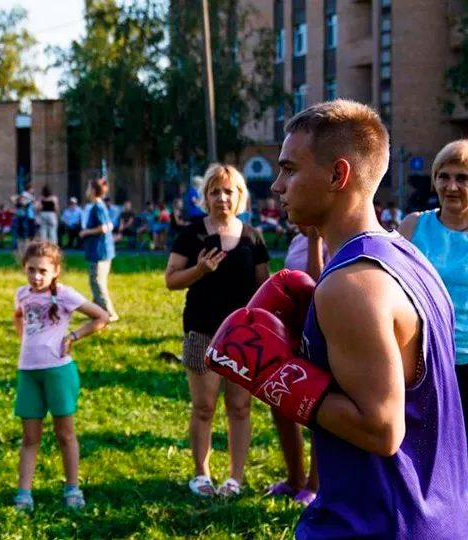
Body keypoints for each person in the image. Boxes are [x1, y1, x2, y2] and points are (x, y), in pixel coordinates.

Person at [207, 100, 468, 537]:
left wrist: (278, 376)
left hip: (379, 522)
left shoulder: (350, 285)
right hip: (435, 508)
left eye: (289, 169)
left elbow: (382, 428)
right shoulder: (408, 256)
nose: (276, 185)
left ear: (337, 175)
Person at [164, 163, 269, 498]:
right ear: (205, 196)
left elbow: (263, 288)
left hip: (242, 338)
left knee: (239, 407)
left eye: (229, 191)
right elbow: (171, 280)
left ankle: (235, 478)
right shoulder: (192, 234)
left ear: (240, 196)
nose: (222, 197)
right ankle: (201, 474)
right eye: (215, 191)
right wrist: (200, 269)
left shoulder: (253, 236)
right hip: (202, 332)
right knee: (204, 407)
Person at [12, 241, 110, 512]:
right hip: (28, 373)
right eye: (31, 270)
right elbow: (19, 316)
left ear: (55, 271)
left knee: (64, 434)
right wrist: (25, 340)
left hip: (58, 372)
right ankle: (24, 493)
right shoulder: (21, 293)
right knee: (30, 437)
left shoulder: (65, 294)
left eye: (43, 271)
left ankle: (72, 488)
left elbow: (101, 317)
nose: (36, 276)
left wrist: (74, 336)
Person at [399, 138, 468, 452]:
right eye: (444, 176)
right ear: (434, 180)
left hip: (466, 358)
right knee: (425, 447)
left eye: (463, 178)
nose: (452, 186)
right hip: (424, 358)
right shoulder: (412, 227)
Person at [265, 224, 328, 505]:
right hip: (292, 332)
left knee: (316, 410)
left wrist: (315, 239)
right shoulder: (297, 239)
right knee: (280, 404)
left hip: (321, 334)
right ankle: (294, 478)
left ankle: (314, 485)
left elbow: (318, 286)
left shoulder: (329, 237)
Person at [79, 177, 119, 322]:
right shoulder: (99, 206)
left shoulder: (98, 207)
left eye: (88, 188)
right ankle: (96, 312)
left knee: (97, 282)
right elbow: (110, 226)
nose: (86, 191)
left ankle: (109, 313)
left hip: (100, 251)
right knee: (95, 281)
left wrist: (86, 232)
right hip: (99, 250)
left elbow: (104, 227)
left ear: (94, 191)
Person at [12, 183, 37, 258]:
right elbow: (21, 202)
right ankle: (23, 249)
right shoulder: (25, 194)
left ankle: (25, 248)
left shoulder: (27, 195)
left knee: (25, 234)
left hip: (27, 216)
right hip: (25, 216)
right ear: (30, 188)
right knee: (24, 234)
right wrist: (29, 201)